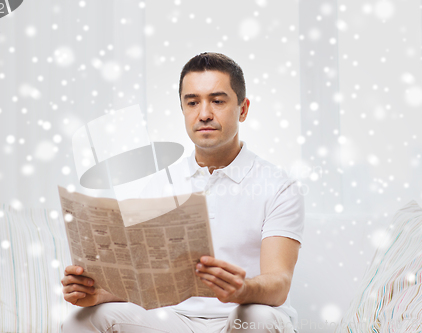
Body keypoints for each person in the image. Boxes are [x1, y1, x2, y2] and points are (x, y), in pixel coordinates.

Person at [60, 52, 304, 333]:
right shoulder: (162, 183)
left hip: (242, 318)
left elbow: (279, 283)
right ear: (183, 109)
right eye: (192, 102)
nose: (204, 114)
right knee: (84, 318)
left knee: (256, 318)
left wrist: (242, 290)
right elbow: (144, 283)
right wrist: (95, 293)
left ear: (243, 109)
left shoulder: (277, 185)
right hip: (174, 321)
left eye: (217, 100)